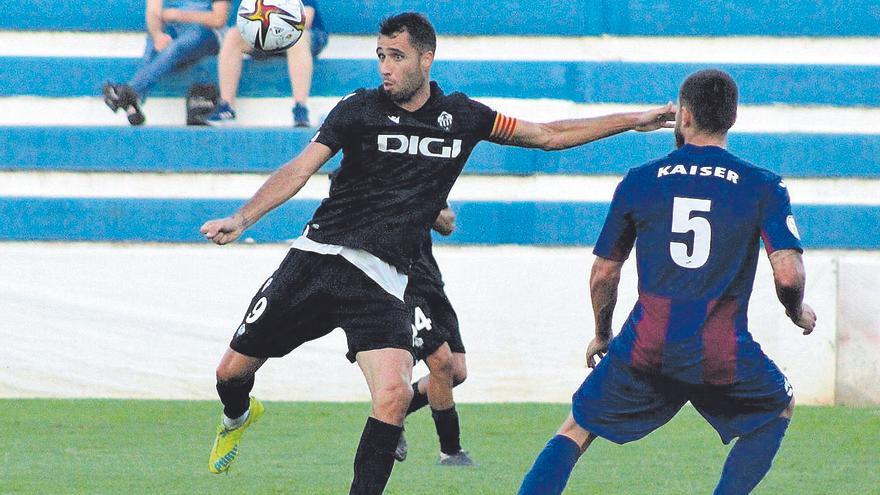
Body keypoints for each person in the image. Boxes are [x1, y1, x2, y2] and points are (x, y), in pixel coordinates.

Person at [200, 12, 674, 494]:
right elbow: (299, 168)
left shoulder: (463, 116)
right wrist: (243, 217)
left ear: (426, 59)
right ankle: (237, 415)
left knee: (393, 395)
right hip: (317, 259)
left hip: (383, 280)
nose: (385, 68)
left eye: (397, 57)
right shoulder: (357, 109)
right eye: (380, 56)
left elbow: (547, 135)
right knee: (230, 374)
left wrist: (634, 121)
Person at [517, 69, 818, 495]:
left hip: (647, 345)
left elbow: (604, 271)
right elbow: (789, 275)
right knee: (780, 405)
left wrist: (602, 334)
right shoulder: (763, 185)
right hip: (721, 350)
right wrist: (796, 310)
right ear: (731, 119)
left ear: (685, 115)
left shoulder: (640, 179)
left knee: (578, 426)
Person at [394, 205, 474, 466]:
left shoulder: (422, 176)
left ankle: (393, 412)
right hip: (405, 287)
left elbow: (447, 224)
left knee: (457, 372)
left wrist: (423, 198)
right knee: (442, 362)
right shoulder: (365, 179)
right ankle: (451, 452)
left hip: (433, 287)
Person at [102, 0, 230, 125]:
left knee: (180, 44)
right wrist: (157, 35)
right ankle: (131, 100)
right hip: (176, 29)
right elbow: (153, 12)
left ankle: (131, 91)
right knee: (154, 41)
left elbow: (218, 19)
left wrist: (177, 15)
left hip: (208, 32)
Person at [206, 0, 328, 127]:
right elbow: (246, 18)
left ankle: (300, 108)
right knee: (233, 35)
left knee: (298, 38)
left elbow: (306, 20)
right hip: (266, 35)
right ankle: (226, 106)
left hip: (302, 33)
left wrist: (276, 25)